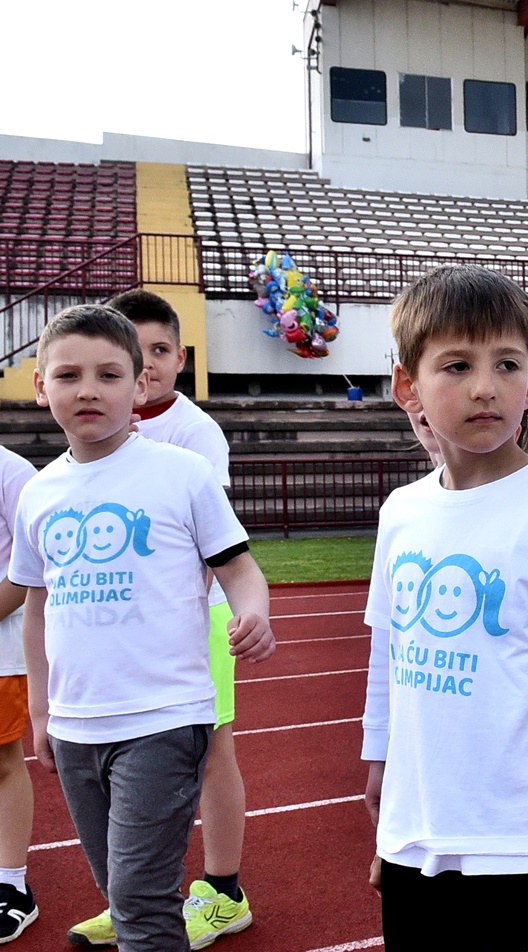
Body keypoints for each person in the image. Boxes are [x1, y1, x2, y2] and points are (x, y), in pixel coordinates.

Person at [360, 265, 528, 951]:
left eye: (508, 363)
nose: (486, 386)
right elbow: (388, 655)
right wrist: (390, 806)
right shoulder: (402, 514)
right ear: (406, 387)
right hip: (414, 846)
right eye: (457, 365)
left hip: (523, 852)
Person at [9, 305, 275, 952]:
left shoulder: (179, 474)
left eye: (109, 374)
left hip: (163, 715)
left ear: (140, 385)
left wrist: (255, 610)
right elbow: (37, 605)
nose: (89, 389)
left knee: (140, 904)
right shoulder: (37, 495)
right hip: (75, 726)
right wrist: (42, 710)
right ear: (42, 387)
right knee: (121, 892)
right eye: (69, 375)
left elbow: (239, 569)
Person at [76, 287, 252, 950]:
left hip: (188, 622)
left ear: (180, 357)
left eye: (159, 350)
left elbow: (209, 545)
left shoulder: (192, 433)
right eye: (134, 350)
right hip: (119, 630)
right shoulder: (101, 433)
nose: (146, 364)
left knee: (210, 753)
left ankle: (224, 892)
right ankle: (137, 898)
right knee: (122, 759)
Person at [0, 446, 37, 944]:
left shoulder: (11, 471)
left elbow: (31, 569)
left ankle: (12, 885)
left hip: (1, 649)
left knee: (3, 761)